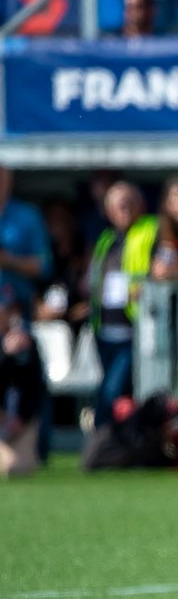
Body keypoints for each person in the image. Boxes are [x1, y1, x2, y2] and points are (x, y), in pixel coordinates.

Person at [89, 182, 156, 429]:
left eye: (128, 203)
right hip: (105, 328)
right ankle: (118, 439)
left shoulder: (150, 229)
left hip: (134, 326)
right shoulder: (107, 239)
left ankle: (100, 436)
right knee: (116, 389)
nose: (123, 209)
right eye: (117, 205)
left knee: (112, 388)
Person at [0, 290, 44, 478]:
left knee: (19, 469)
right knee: (10, 465)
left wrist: (22, 418)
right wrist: (5, 356)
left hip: (18, 420)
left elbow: (37, 387)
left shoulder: (27, 343)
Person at [0, 166, 52, 320]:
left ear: (9, 181)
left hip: (18, 312)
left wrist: (9, 261)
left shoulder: (28, 216)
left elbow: (44, 266)